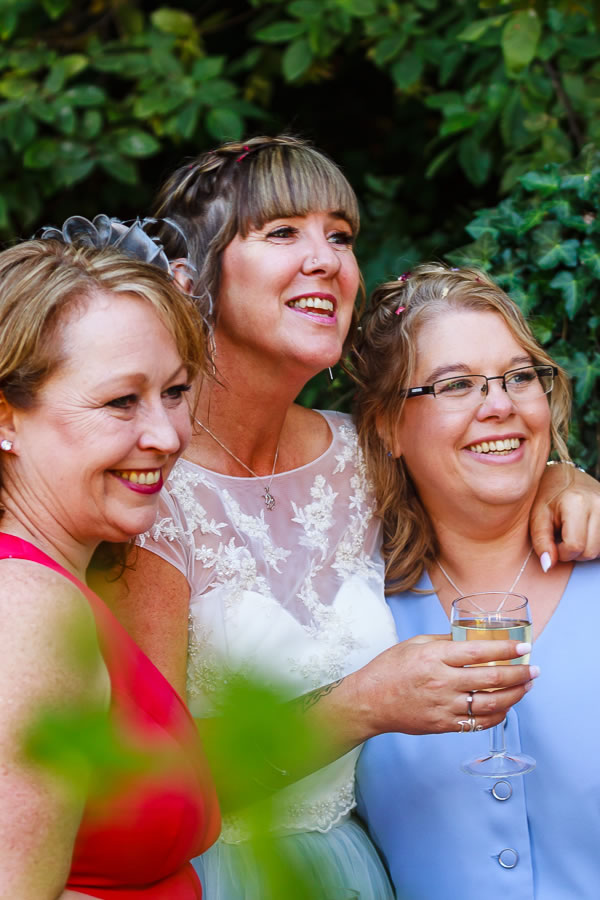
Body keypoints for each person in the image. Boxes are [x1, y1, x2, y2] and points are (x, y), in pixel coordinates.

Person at [104, 136, 599, 898]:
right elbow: (145, 784)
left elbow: (476, 457)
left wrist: (568, 478)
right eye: (282, 232)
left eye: (340, 236)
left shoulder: (354, 457)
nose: (327, 259)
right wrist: (364, 704)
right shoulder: (143, 483)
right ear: (189, 277)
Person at [353, 263, 600, 899]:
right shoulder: (354, 611)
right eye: (456, 385)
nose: (500, 405)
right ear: (387, 426)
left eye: (520, 376)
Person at [0, 235, 220, 898]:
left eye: (174, 392)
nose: (167, 435)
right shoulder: (30, 611)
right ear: (6, 417)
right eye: (121, 401)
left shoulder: (64, 583)